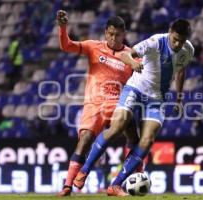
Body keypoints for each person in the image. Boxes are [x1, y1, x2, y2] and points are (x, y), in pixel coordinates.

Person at [73, 19, 194, 196]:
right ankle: (84, 170)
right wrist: (133, 63)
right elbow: (125, 55)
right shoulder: (155, 42)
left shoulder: (188, 49)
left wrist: (179, 98)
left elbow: (181, 70)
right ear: (170, 32)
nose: (177, 44)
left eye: (181, 41)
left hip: (157, 97)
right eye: (175, 39)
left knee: (147, 140)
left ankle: (115, 185)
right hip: (135, 89)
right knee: (117, 126)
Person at [56, 10, 142, 196]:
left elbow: (148, 72)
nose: (113, 38)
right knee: (85, 139)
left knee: (135, 138)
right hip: (94, 104)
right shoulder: (93, 46)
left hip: (119, 104)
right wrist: (63, 28)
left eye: (118, 35)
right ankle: (68, 186)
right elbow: (67, 46)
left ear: (124, 35)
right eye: (110, 33)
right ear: (105, 32)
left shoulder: (130, 55)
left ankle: (136, 175)